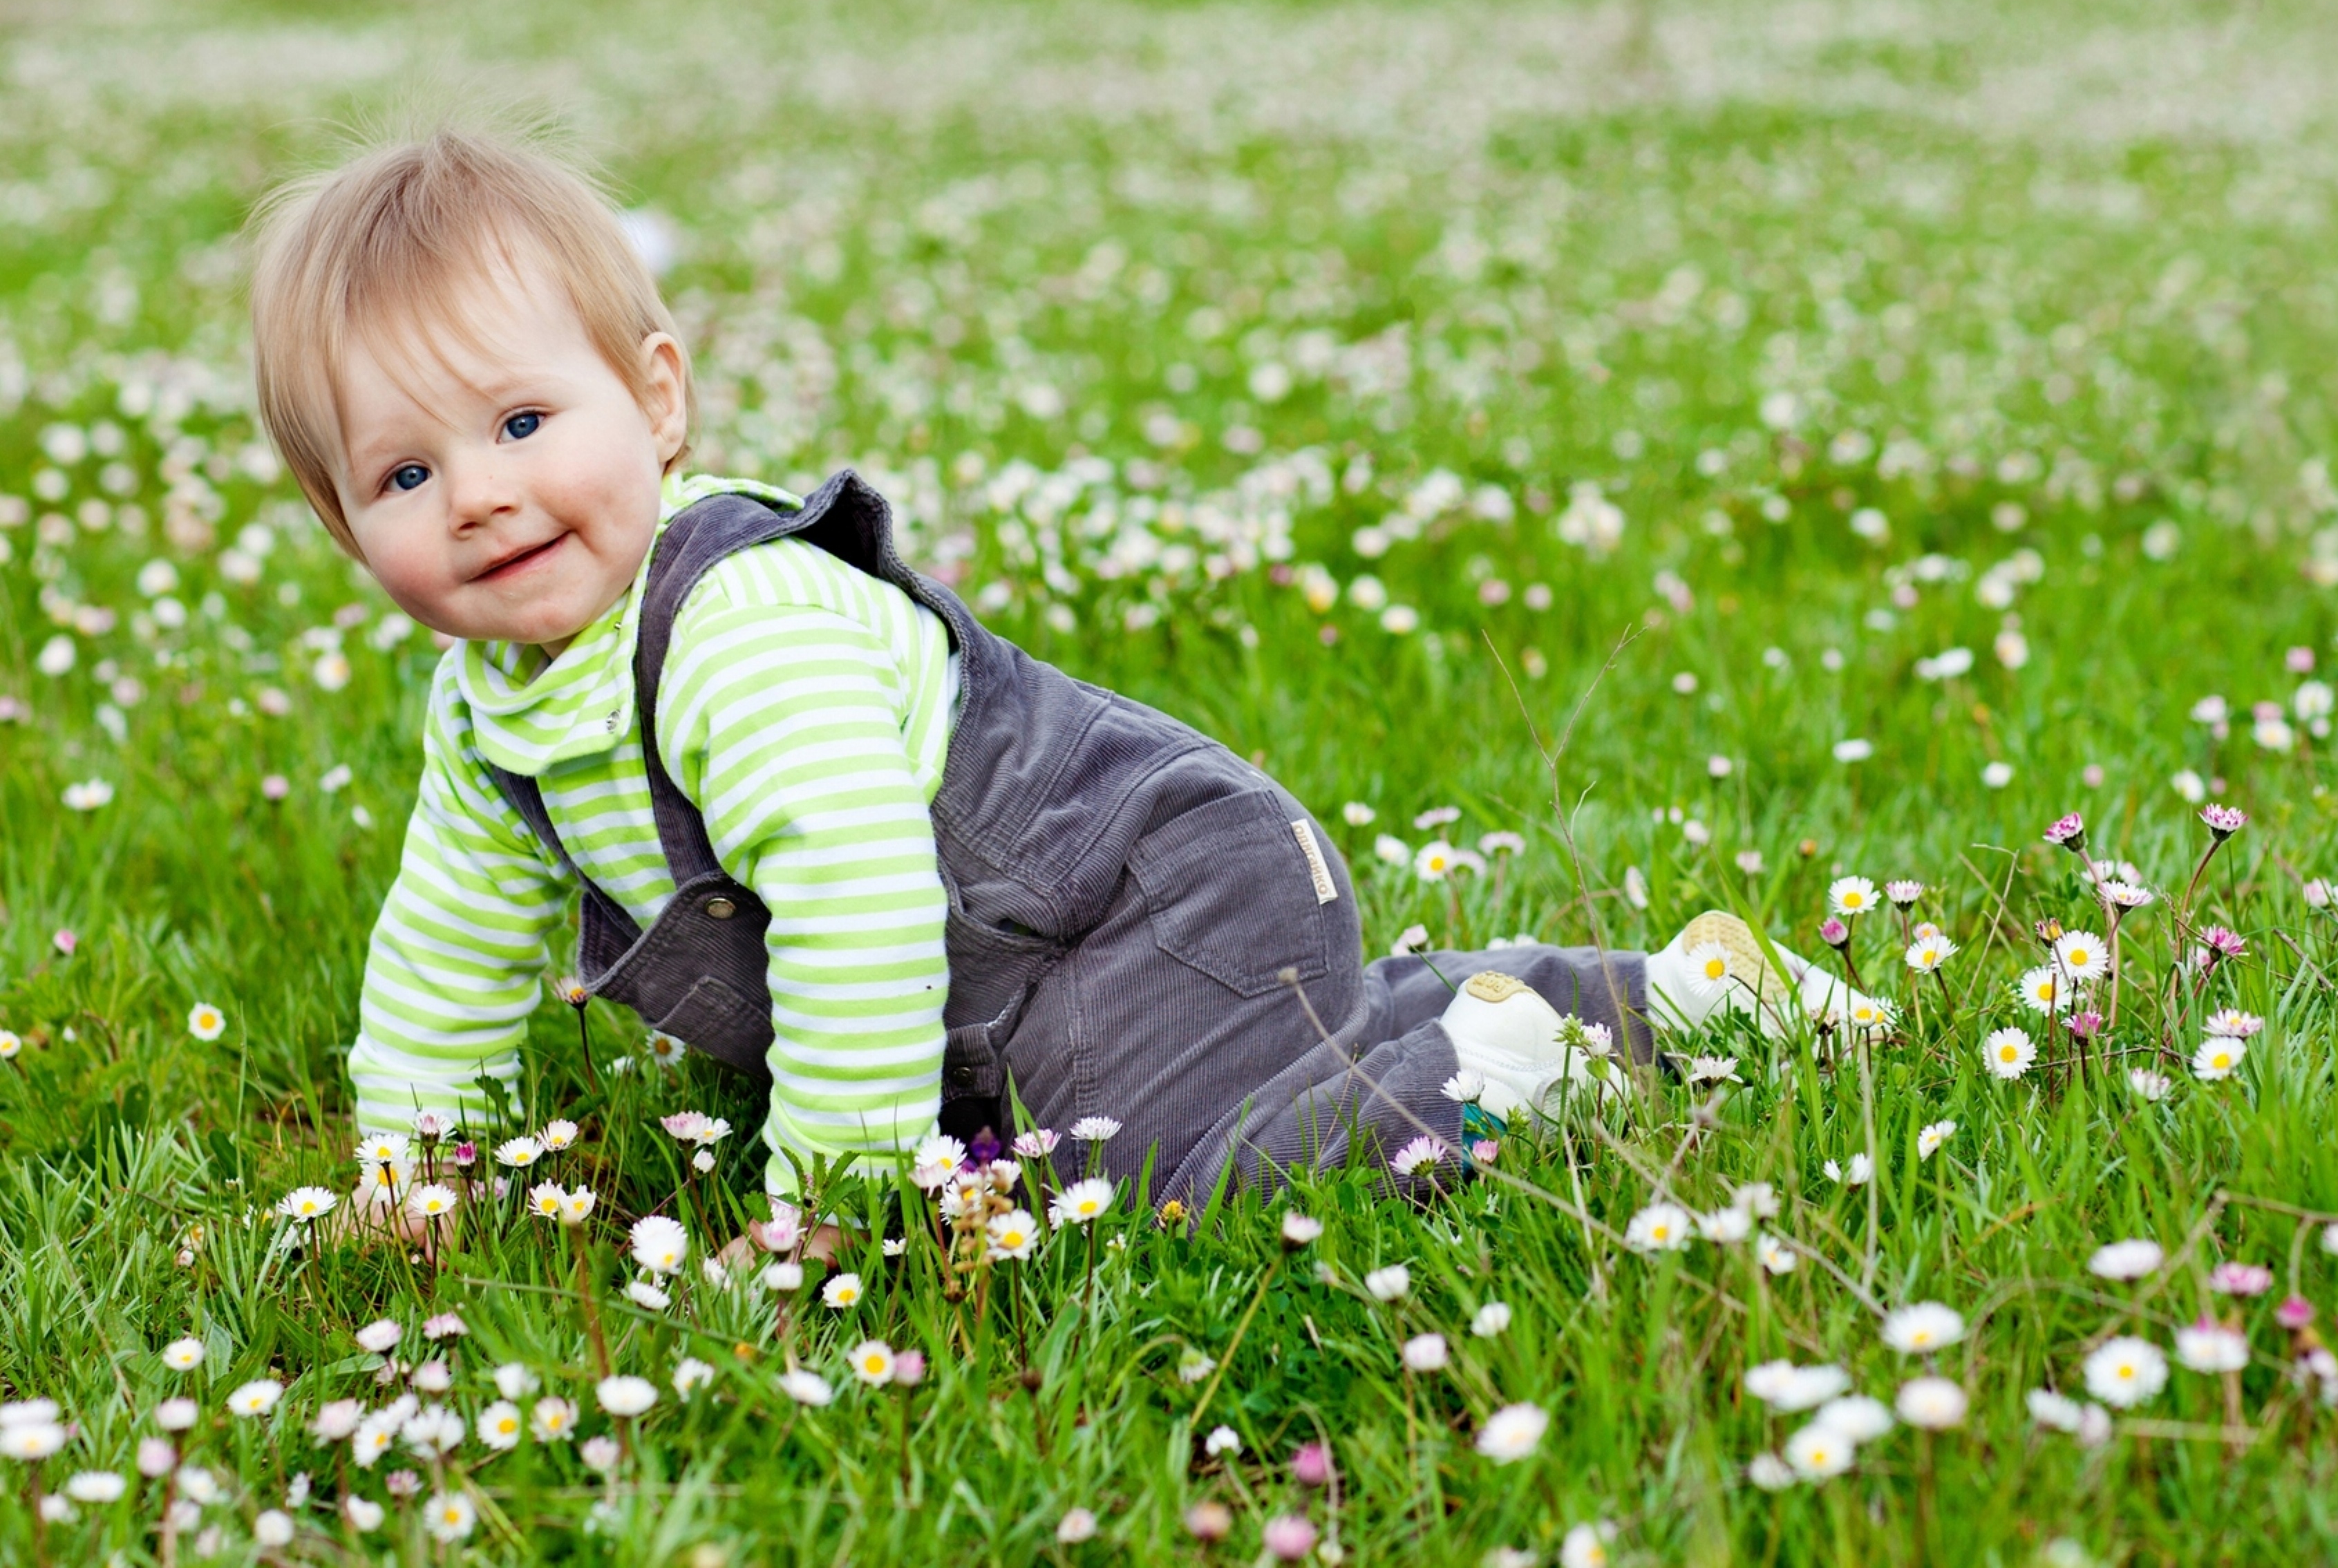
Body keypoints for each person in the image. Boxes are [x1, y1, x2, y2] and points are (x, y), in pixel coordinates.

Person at [247, 125, 1847, 1234]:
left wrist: (837, 1198)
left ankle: (1513, 1064)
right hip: (1015, 987)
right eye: (402, 473)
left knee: (1158, 1181)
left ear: (654, 399)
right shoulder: (493, 714)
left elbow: (866, 897)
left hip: (1143, 899)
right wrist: (409, 1165)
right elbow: (447, 946)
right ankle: (1646, 990)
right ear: (341, 522)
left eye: (523, 424)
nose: (479, 495)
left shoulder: (736, 631)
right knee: (1135, 1117)